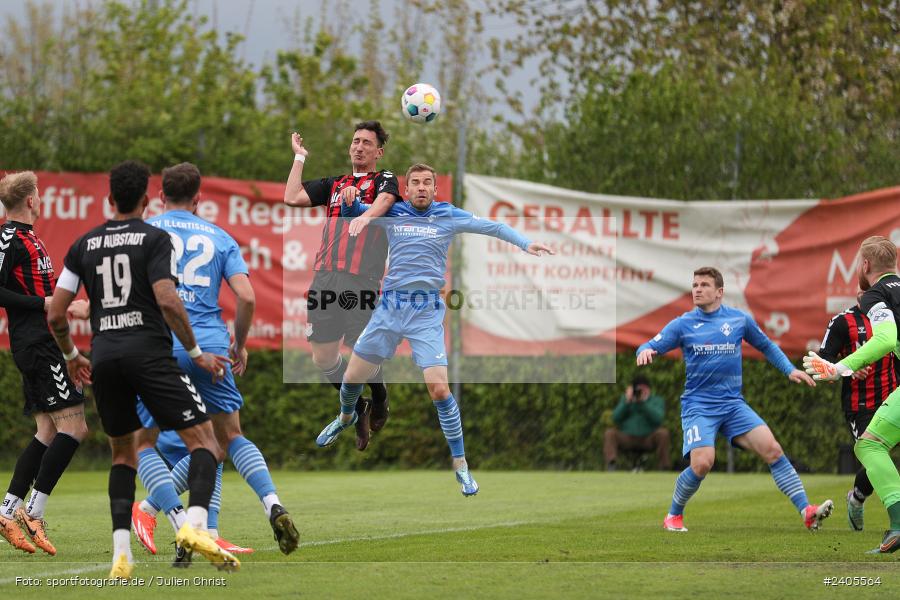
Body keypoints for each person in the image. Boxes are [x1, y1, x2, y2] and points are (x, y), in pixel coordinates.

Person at [46, 160, 239, 578]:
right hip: (150, 356)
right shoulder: (154, 238)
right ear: (147, 200)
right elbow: (168, 301)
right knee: (207, 442)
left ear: (110, 199)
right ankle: (196, 527)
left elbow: (57, 314)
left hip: (105, 358)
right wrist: (196, 350)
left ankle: (121, 556)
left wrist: (71, 356)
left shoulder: (82, 245)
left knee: (124, 454)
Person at [314, 163, 554, 495]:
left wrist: (525, 243)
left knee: (439, 390)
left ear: (435, 190)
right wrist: (352, 200)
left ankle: (461, 466)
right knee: (353, 377)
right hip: (390, 307)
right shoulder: (393, 212)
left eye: (428, 182)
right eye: (415, 183)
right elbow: (358, 212)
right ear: (406, 189)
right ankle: (344, 418)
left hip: (425, 311)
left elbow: (493, 227)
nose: (422, 187)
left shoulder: (448, 214)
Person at [127, 162, 298, 559]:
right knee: (226, 437)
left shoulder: (146, 234)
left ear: (160, 196)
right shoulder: (220, 237)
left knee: (142, 442)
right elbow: (249, 297)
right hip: (210, 348)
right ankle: (272, 504)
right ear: (199, 198)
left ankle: (161, 512)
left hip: (157, 347)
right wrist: (238, 343)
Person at [636, 266, 833, 533]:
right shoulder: (683, 324)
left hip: (732, 405)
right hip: (699, 406)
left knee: (772, 449)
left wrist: (789, 370)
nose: (697, 289)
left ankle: (807, 512)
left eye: (704, 285)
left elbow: (766, 345)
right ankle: (673, 515)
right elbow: (649, 344)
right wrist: (645, 351)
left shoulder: (739, 320)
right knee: (703, 463)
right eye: (695, 285)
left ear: (719, 292)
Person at [283, 122, 401, 450]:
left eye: (366, 142)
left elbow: (386, 201)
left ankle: (379, 398)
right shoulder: (335, 183)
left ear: (378, 151)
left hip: (361, 279)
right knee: (323, 359)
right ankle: (359, 405)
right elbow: (291, 196)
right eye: (355, 141)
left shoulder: (384, 179)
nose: (358, 146)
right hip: (324, 278)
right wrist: (300, 158)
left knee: (363, 352)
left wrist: (364, 216)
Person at [0, 172, 88, 556]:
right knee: (76, 427)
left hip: (42, 339)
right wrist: (47, 305)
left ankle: (7, 510)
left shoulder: (27, 236)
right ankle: (33, 511)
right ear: (32, 200)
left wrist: (66, 306)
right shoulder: (10, 237)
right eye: (39, 193)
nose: (41, 198)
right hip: (37, 344)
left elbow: (44, 291)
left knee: (48, 432)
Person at [804, 236, 900, 553]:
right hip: (866, 403)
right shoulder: (845, 319)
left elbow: (885, 340)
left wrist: (840, 367)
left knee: (871, 447)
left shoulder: (877, 295)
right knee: (871, 445)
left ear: (865, 266)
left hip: (889, 393)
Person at [817, 289, 895, 532]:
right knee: (876, 455)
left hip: (893, 398)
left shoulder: (892, 317)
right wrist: (850, 365)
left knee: (880, 456)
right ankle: (857, 499)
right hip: (860, 405)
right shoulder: (842, 322)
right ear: (859, 293)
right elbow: (823, 362)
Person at [604, 375, 671, 471]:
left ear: (649, 389)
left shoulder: (656, 400)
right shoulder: (626, 400)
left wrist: (643, 404)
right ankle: (611, 464)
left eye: (643, 389)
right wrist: (627, 402)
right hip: (627, 438)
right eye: (638, 390)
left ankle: (664, 467)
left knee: (663, 433)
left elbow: (658, 419)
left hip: (648, 438)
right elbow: (615, 418)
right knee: (610, 433)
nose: (640, 392)